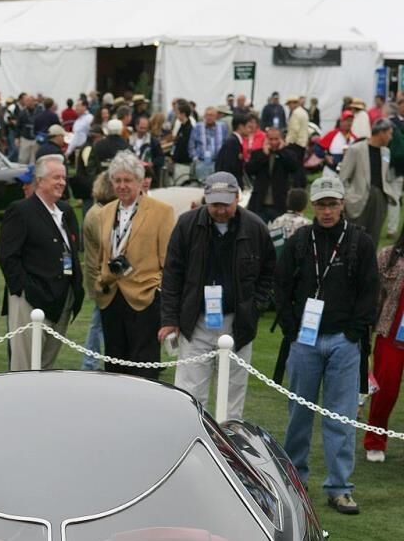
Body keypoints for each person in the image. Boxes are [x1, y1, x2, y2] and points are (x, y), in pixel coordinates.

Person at [275, 174, 378, 514]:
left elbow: (369, 291)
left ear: (342, 204)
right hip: (304, 340)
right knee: (298, 414)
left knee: (341, 417)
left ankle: (339, 487)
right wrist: (291, 329)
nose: (327, 211)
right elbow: (282, 286)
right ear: (313, 207)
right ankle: (294, 480)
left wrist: (354, 331)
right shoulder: (300, 240)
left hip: (344, 343)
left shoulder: (360, 243)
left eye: (333, 204)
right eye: (321, 204)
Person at [159, 171, 275, 420]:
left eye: (225, 203)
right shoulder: (187, 224)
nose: (220, 209)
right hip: (196, 321)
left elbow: (269, 273)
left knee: (233, 396)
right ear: (206, 199)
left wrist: (255, 306)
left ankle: (229, 449)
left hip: (237, 322)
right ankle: (190, 442)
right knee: (189, 393)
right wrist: (169, 319)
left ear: (238, 197)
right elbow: (172, 274)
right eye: (215, 204)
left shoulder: (255, 227)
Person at [0, 153, 83, 371]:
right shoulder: (21, 210)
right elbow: (7, 256)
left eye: (63, 178)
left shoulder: (66, 211)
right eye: (56, 178)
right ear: (40, 181)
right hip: (30, 300)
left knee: (45, 367)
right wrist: (24, 291)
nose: (62, 182)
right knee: (24, 368)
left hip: (62, 300)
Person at [94, 151, 174, 377]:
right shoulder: (105, 212)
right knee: (114, 366)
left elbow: (168, 261)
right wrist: (100, 281)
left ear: (140, 181)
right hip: (111, 297)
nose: (122, 186)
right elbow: (100, 255)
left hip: (145, 299)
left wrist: (158, 291)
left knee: (143, 367)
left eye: (127, 180)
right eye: (117, 180)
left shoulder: (162, 212)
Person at [364, 221, 404, 462]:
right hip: (390, 335)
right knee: (385, 390)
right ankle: (375, 440)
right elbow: (374, 295)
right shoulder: (389, 256)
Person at [339, 119, 397, 248]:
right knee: (354, 239)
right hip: (359, 198)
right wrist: (348, 197)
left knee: (373, 239)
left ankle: (369, 265)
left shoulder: (386, 152)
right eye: (389, 133)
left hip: (380, 199)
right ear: (381, 133)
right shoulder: (356, 149)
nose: (391, 137)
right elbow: (343, 178)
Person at [80, 170, 116, 371]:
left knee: (99, 321)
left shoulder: (98, 210)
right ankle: (90, 363)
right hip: (99, 278)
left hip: (99, 276)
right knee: (98, 323)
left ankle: (91, 362)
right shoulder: (98, 214)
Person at [246, 127, 299, 223]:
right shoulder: (258, 153)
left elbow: (294, 167)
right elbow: (250, 170)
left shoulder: (288, 153)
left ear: (281, 139)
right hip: (260, 203)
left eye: (276, 139)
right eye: (271, 139)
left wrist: (280, 152)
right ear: (266, 139)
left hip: (279, 203)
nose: (274, 142)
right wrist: (264, 155)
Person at [188, 106, 228, 183]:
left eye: (211, 115)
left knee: (217, 187)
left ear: (216, 116)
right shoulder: (198, 127)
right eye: (207, 115)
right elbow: (191, 144)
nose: (209, 117)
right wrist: (195, 158)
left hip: (217, 162)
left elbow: (226, 144)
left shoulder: (222, 127)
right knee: (202, 187)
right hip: (202, 163)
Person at [214, 108, 250, 186]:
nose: (249, 130)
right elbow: (229, 167)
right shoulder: (232, 143)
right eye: (248, 127)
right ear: (241, 127)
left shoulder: (235, 141)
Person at [284, 93, 310, 187]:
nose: (289, 107)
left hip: (296, 143)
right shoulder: (304, 112)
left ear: (293, 103)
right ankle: (302, 183)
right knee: (300, 164)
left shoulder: (295, 113)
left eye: (289, 104)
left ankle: (297, 184)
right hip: (302, 142)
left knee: (295, 166)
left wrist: (288, 142)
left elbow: (294, 130)